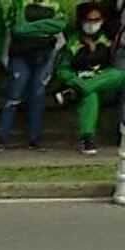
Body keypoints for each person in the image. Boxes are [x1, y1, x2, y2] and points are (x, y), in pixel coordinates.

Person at [0, 0, 68, 151]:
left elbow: (60, 27)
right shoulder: (19, 4)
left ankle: (35, 140)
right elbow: (17, 29)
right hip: (20, 55)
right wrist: (44, 27)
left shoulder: (55, 5)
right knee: (14, 95)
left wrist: (30, 28)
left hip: (45, 55)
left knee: (38, 95)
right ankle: (2, 140)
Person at [55, 4, 119, 154]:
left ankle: (77, 90)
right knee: (90, 94)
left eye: (96, 20)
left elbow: (114, 67)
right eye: (89, 20)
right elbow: (62, 70)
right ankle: (88, 138)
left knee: (120, 73)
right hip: (81, 80)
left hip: (107, 84)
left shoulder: (108, 40)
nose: (92, 24)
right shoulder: (73, 42)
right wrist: (74, 80)